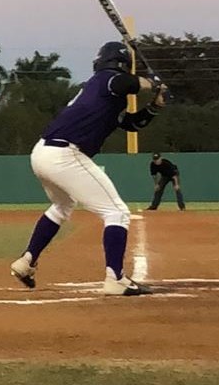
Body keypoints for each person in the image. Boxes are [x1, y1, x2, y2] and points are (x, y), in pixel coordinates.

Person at [9, 41, 165, 295]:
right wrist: (153, 83)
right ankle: (115, 278)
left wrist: (155, 106)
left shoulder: (105, 94)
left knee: (62, 206)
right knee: (117, 212)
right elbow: (126, 83)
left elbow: (132, 124)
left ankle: (26, 261)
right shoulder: (107, 80)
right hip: (64, 154)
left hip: (43, 153)